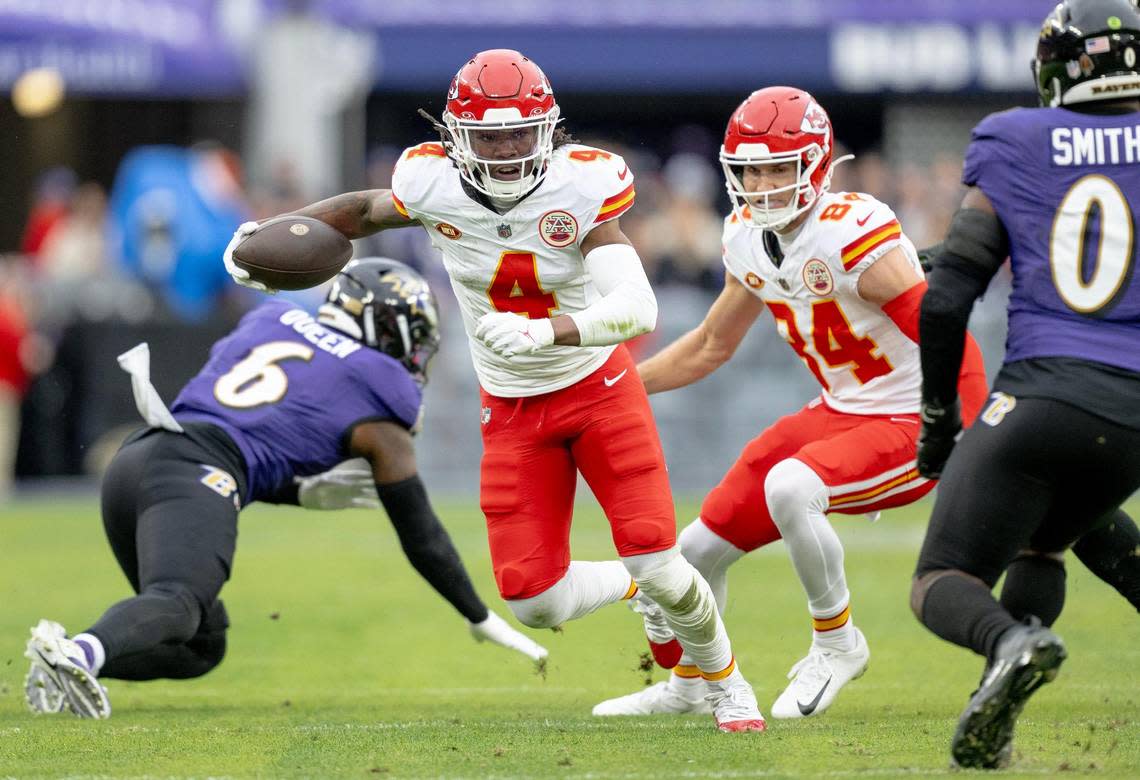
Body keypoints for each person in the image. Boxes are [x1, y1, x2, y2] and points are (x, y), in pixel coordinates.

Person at [224, 49, 767, 732]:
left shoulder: (580, 188)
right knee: (534, 599)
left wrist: (551, 333)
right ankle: (634, 590)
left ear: (549, 130)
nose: (507, 149)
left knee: (659, 557)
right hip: (512, 408)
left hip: (597, 388)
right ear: (456, 137)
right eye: (489, 135)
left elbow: (638, 308)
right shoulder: (432, 185)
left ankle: (726, 683)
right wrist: (273, 237)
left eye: (520, 132)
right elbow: (362, 212)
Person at [592, 86, 989, 720]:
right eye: (751, 168)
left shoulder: (851, 230)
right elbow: (710, 345)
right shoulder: (747, 236)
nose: (763, 182)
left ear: (816, 164)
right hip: (841, 406)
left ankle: (837, 642)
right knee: (694, 552)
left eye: (779, 166)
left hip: (912, 415)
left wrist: (969, 421)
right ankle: (693, 686)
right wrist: (611, 387)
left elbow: (942, 328)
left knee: (789, 485)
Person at [24, 258, 547, 719]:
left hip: (138, 458)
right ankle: (77, 653)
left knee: (201, 643)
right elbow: (420, 532)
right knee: (178, 602)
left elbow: (246, 428)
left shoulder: (271, 317)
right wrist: (476, 614)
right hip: (195, 471)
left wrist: (294, 491)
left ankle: (73, 657)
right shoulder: (382, 391)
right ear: (388, 328)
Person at [910, 0, 1140, 768]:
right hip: (1134, 414)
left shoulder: (1015, 137)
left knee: (941, 577)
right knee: (1046, 541)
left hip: (1047, 391)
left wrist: (938, 416)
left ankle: (1012, 640)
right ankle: (995, 720)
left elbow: (947, 300)